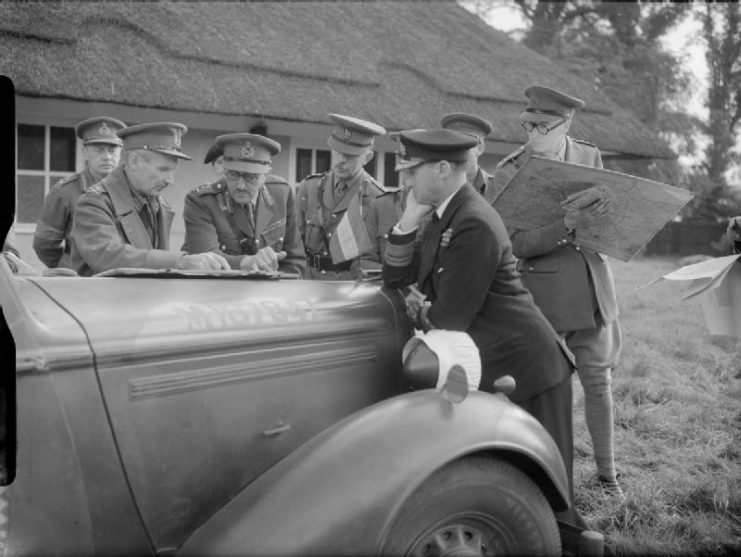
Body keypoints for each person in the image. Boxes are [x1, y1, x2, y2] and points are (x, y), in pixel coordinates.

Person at [383, 128, 583, 526]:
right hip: (491, 361)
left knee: (550, 499)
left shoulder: (472, 220)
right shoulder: (444, 213)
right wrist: (407, 220)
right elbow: (395, 276)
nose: (404, 181)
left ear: (442, 168)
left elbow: (449, 319)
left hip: (529, 368)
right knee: (508, 487)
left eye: (411, 171)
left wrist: (419, 308)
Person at [492, 85, 624, 500]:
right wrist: (566, 224)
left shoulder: (588, 156)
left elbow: (608, 222)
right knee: (545, 389)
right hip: (543, 293)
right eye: (527, 125)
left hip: (591, 285)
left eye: (542, 126)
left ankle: (608, 477)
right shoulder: (509, 171)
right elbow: (512, 243)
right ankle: (540, 478)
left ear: (566, 124)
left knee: (599, 382)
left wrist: (604, 220)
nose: (532, 134)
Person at [71, 122, 229, 276]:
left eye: (172, 171)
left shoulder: (160, 204)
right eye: (163, 169)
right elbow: (106, 255)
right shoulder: (94, 202)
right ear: (134, 161)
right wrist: (179, 262)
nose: (170, 180)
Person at [182, 133, 305, 275]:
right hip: (219, 292)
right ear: (224, 170)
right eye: (233, 175)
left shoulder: (282, 194)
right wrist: (246, 262)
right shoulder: (202, 201)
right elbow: (207, 261)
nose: (240, 185)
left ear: (265, 176)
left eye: (251, 177)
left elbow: (295, 261)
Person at [297, 113, 386, 280]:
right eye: (338, 152)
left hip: (350, 290)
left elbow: (379, 260)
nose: (341, 160)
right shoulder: (309, 188)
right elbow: (295, 246)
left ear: (367, 157)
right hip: (309, 285)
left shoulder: (378, 198)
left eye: (351, 155)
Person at [33, 116, 126, 270]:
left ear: (121, 151)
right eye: (99, 150)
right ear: (85, 152)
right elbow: (44, 244)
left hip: (120, 277)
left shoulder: (130, 191)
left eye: (112, 149)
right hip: (80, 280)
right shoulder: (65, 191)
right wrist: (68, 266)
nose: (107, 156)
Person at [440, 112, 501, 203]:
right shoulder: (431, 187)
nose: (458, 148)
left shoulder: (499, 190)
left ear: (480, 149)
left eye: (467, 141)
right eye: (452, 140)